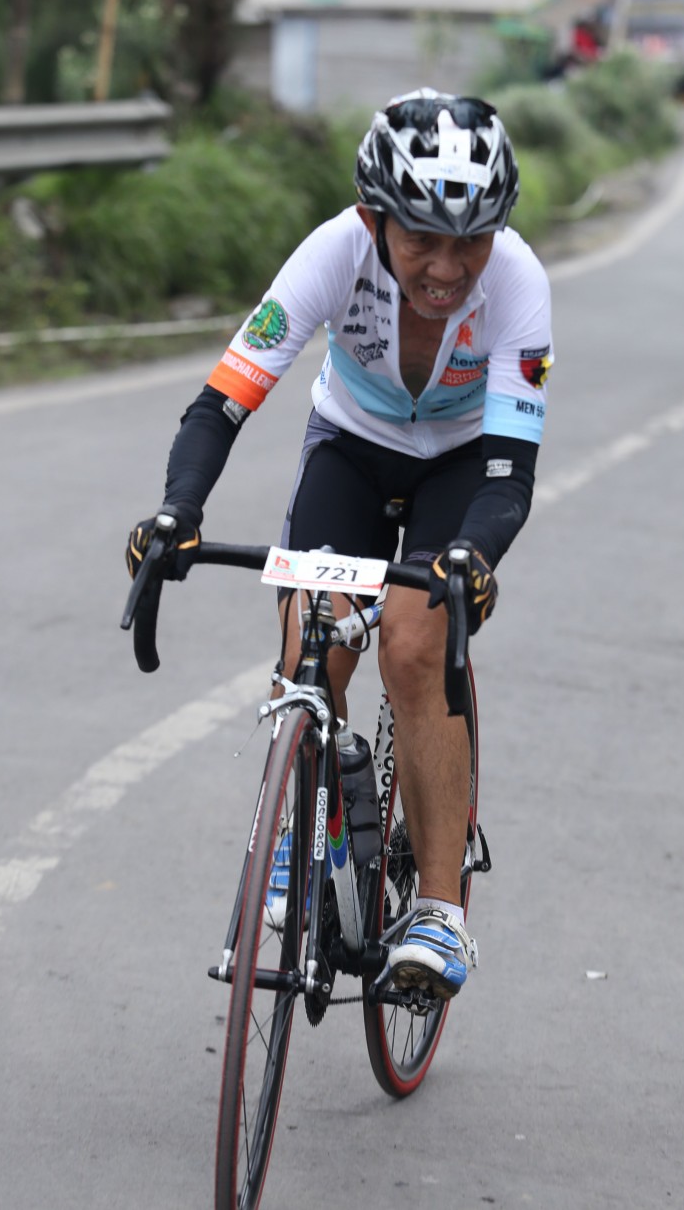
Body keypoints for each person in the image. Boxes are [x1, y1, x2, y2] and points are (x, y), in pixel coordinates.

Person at [126, 89, 553, 1000]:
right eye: (422, 239)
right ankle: (299, 831)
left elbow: (509, 474)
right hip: (352, 449)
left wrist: (475, 556)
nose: (448, 268)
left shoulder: (518, 283)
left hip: (462, 463)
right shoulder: (332, 252)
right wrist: (177, 509)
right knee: (309, 640)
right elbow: (222, 403)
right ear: (374, 217)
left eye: (472, 240)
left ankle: (439, 909)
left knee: (415, 643)